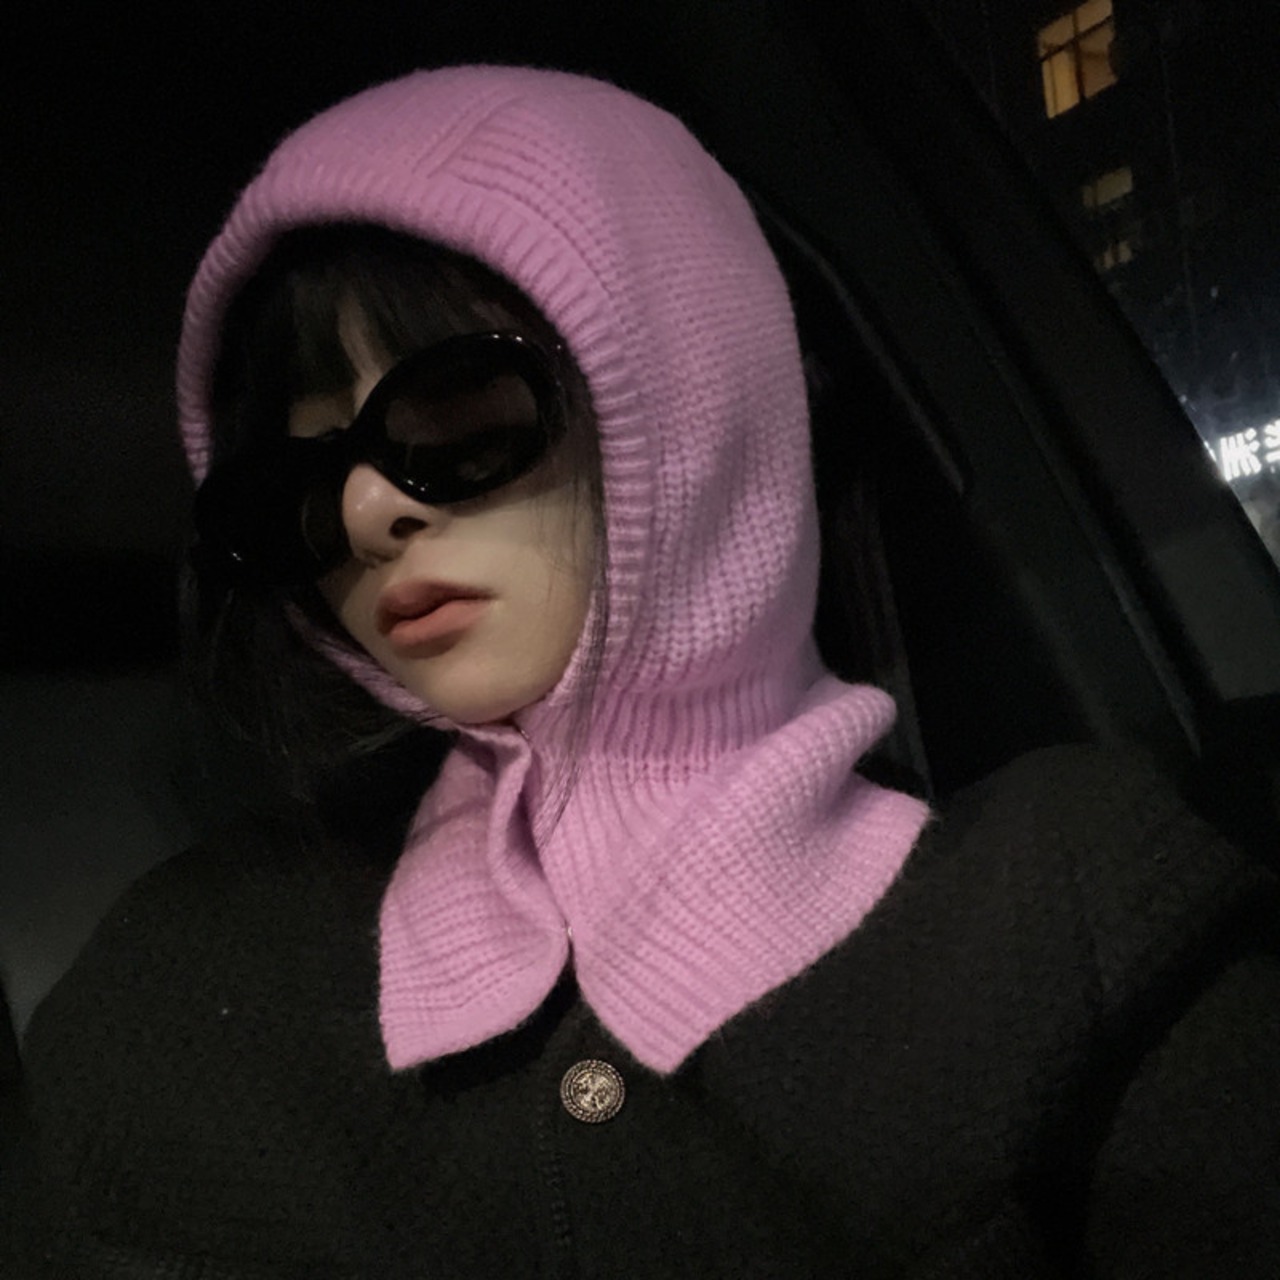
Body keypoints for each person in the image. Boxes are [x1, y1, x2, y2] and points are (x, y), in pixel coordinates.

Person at [5, 65, 1279, 1277]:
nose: (365, 511)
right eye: (297, 479)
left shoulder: (1073, 906)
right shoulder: (179, 976)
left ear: (686, 396)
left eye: (458, 414)